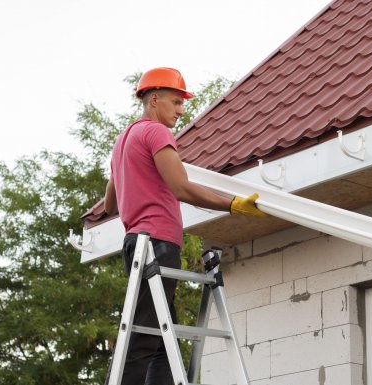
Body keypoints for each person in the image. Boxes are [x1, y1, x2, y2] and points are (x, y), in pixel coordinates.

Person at [103, 67, 266, 385]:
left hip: (135, 245)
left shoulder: (123, 141)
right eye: (176, 102)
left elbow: (110, 205)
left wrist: (137, 183)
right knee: (142, 342)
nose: (181, 109)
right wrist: (231, 204)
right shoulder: (155, 133)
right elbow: (181, 188)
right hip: (157, 245)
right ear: (154, 99)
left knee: (161, 343)